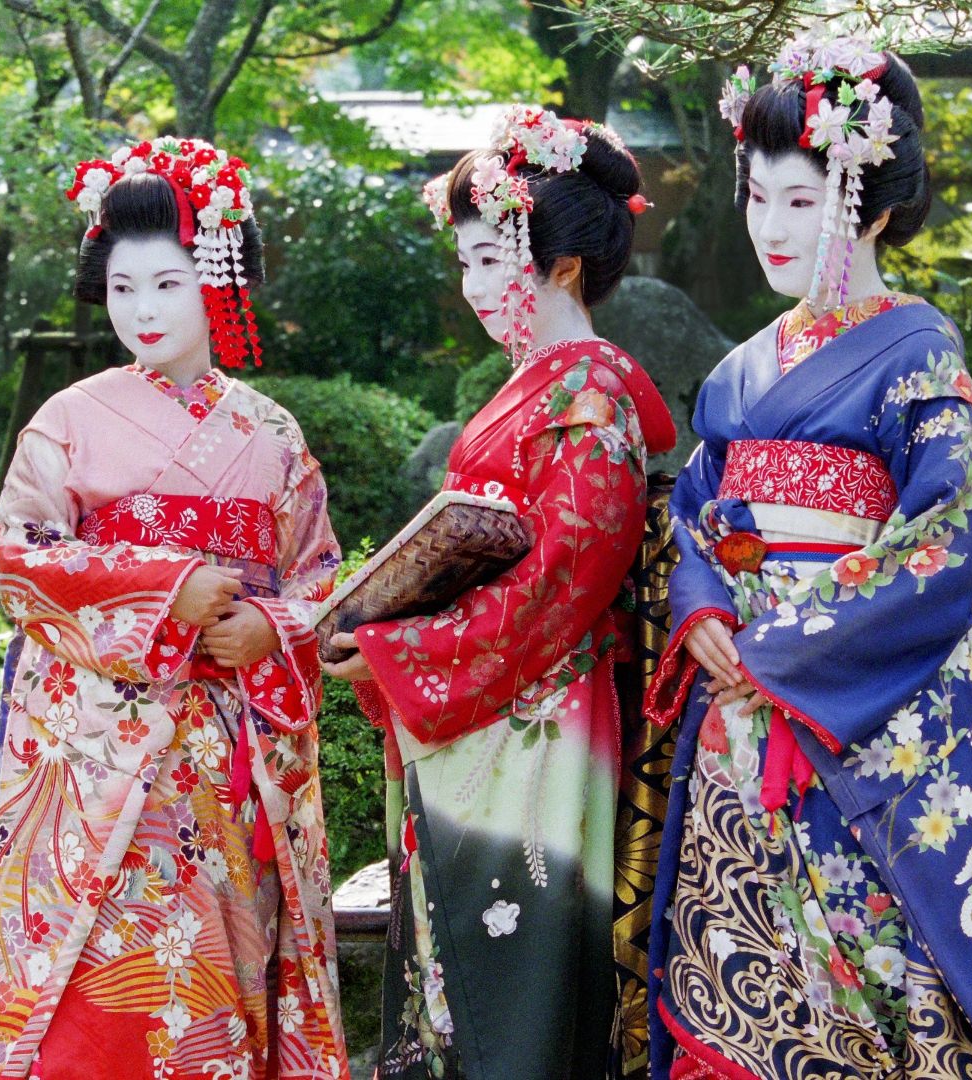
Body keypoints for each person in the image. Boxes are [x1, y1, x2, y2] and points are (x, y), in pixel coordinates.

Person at [642, 31, 972, 1079]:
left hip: (857, 712)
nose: (770, 226)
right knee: (734, 967)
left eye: (802, 201)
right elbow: (699, 512)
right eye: (758, 196)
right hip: (739, 710)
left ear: (873, 200)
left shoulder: (917, 350)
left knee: (869, 969)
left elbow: (943, 534)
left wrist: (785, 647)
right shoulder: (736, 375)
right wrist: (707, 608)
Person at [0, 136, 349, 1080]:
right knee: (101, 1001)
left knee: (228, 978)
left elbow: (319, 574)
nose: (141, 310)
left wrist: (276, 627)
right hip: (104, 760)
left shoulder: (271, 433)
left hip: (231, 758)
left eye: (169, 284)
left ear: (216, 281)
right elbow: (21, 560)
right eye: (124, 287)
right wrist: (166, 588)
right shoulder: (69, 418)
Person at [323, 106, 677, 1080]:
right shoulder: (546, 385)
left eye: (492, 262)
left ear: (562, 268)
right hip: (501, 714)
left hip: (540, 728)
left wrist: (400, 650)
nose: (475, 288)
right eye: (468, 264)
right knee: (479, 992)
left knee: (516, 996)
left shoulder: (590, 394)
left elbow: (564, 580)